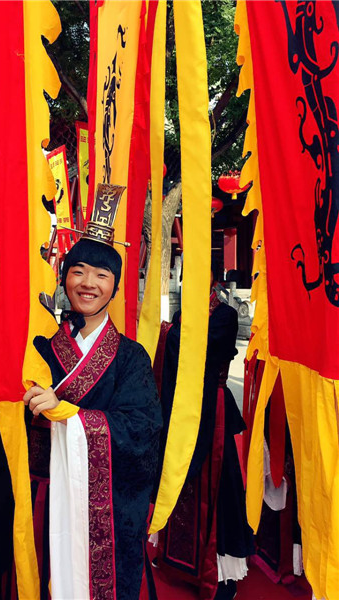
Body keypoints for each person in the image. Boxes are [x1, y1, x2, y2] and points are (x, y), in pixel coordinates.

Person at [24, 183, 162, 600]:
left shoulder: (131, 358)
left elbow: (142, 430)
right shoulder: (42, 346)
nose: (88, 283)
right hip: (47, 500)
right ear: (65, 278)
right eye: (78, 271)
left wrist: (69, 414)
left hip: (105, 508)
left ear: (115, 287)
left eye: (102, 275)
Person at [152, 262, 254, 600]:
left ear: (213, 281)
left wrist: (160, 330)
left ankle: (222, 572)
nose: (190, 283)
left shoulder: (224, 316)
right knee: (181, 480)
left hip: (215, 410)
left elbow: (201, 351)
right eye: (187, 278)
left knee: (218, 485)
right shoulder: (183, 315)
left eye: (198, 277)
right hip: (182, 408)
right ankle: (178, 561)